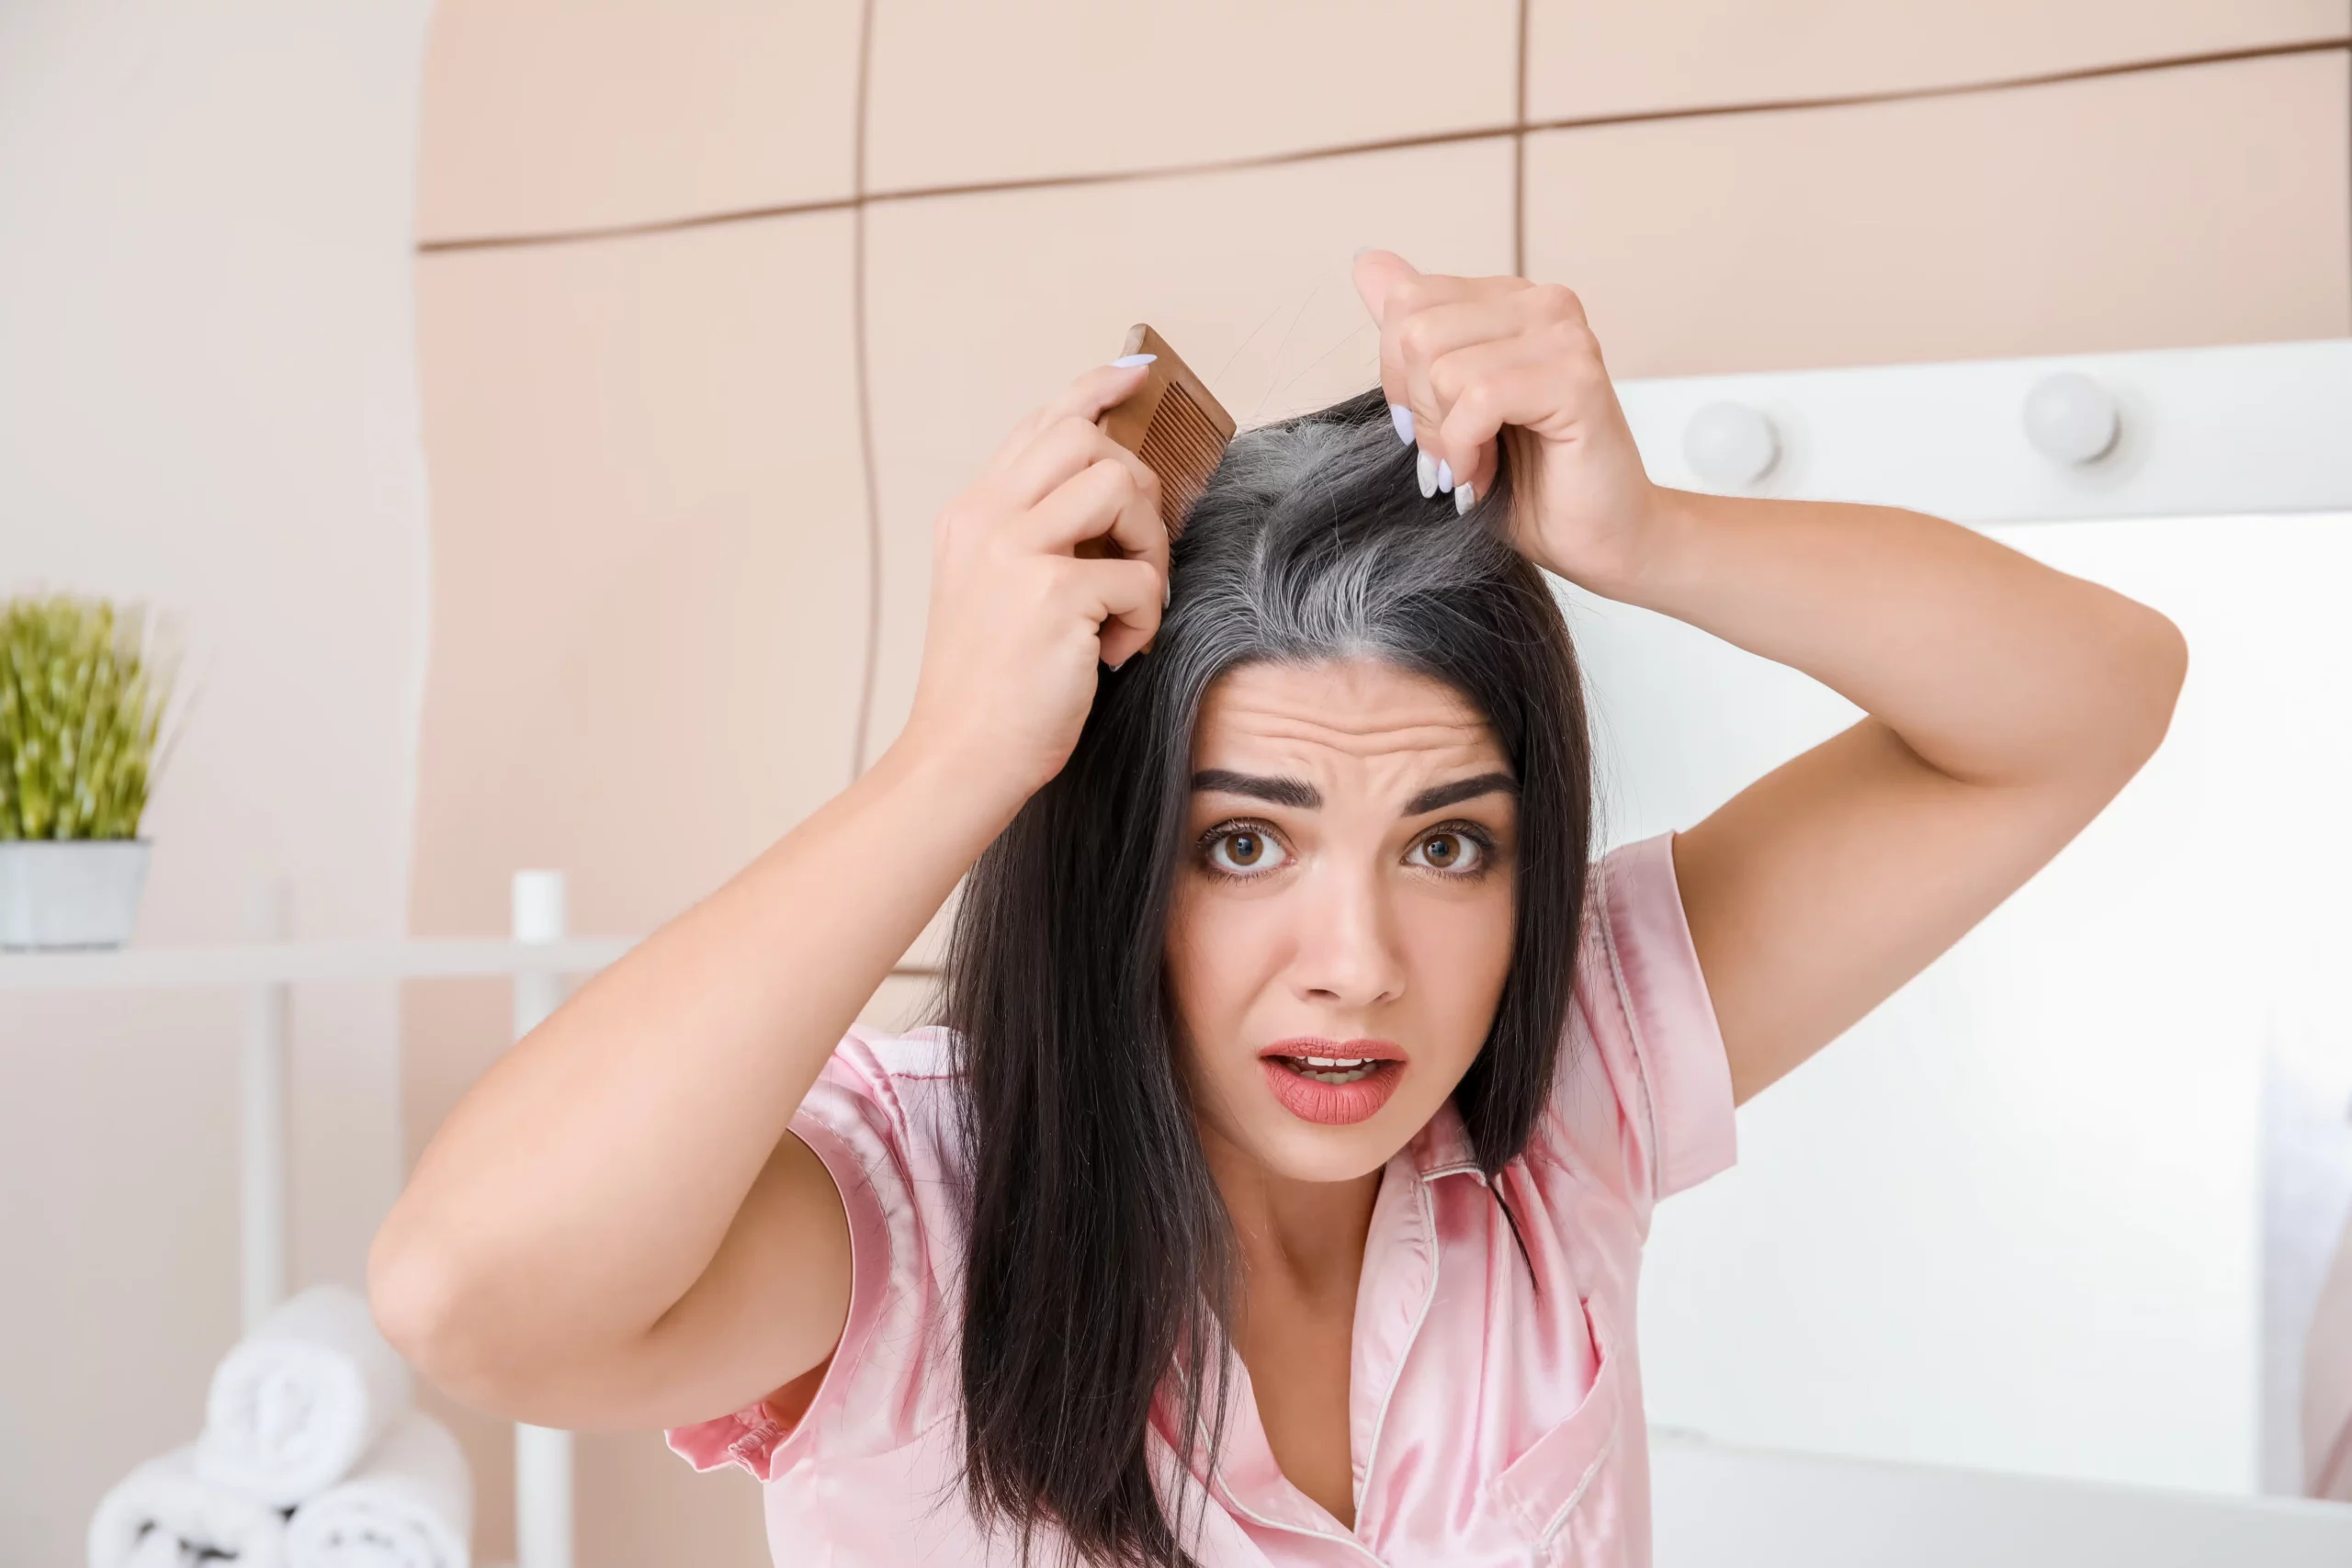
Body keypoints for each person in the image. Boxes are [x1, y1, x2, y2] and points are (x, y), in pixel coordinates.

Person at [367, 251, 2188, 1567]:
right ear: (1123, 857)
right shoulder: (914, 1222)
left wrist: (1655, 543)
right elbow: (469, 1294)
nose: (1357, 963)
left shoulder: (1572, 1085)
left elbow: (2082, 696)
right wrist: (946, 763)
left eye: (1447, 845)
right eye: (1246, 842)